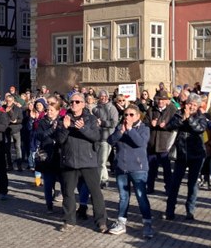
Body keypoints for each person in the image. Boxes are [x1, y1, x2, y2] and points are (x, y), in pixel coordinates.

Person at [56, 92, 107, 233]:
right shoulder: (63, 119)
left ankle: (101, 221)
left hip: (88, 161)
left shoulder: (90, 119)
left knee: (96, 193)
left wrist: (82, 128)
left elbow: (97, 136)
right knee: (68, 193)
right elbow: (59, 140)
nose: (74, 104)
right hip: (69, 162)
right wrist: (65, 128)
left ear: (83, 104)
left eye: (77, 102)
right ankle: (69, 220)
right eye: (72, 102)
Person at [107, 104, 154, 238]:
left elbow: (140, 143)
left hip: (138, 168)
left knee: (141, 196)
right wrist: (120, 132)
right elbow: (110, 140)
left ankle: (147, 224)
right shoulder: (120, 126)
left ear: (138, 116)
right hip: (122, 167)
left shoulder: (144, 128)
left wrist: (130, 130)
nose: (128, 117)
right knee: (123, 197)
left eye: (131, 115)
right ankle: (121, 222)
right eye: (126, 114)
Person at [164, 94, 209, 221]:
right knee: (175, 184)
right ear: (186, 103)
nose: (192, 107)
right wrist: (183, 118)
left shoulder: (201, 117)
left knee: (193, 184)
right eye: (191, 104)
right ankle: (170, 210)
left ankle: (190, 210)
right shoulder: (179, 114)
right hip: (181, 154)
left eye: (195, 105)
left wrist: (189, 119)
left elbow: (199, 129)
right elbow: (169, 126)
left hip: (196, 155)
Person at [145, 90, 177, 194]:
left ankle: (169, 188)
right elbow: (144, 123)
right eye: (158, 99)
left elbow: (175, 124)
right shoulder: (151, 110)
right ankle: (150, 187)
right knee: (151, 169)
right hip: (152, 144)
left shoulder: (172, 110)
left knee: (167, 169)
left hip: (165, 144)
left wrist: (166, 125)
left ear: (167, 101)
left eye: (163, 99)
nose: (160, 102)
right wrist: (150, 123)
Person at [92, 90, 118, 188]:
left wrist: (102, 123)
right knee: (99, 162)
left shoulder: (112, 109)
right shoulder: (95, 109)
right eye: (101, 96)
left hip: (107, 138)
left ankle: (98, 182)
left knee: (101, 162)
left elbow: (114, 123)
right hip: (97, 137)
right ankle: (104, 179)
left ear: (107, 97)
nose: (103, 98)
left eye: (104, 96)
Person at [3, 94, 24, 171]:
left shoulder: (17, 109)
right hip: (6, 129)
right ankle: (9, 165)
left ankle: (19, 165)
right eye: (7, 100)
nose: (8, 102)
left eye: (10, 101)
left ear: (13, 101)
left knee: (17, 147)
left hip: (15, 129)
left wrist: (16, 121)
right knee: (7, 148)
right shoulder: (3, 108)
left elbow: (21, 119)